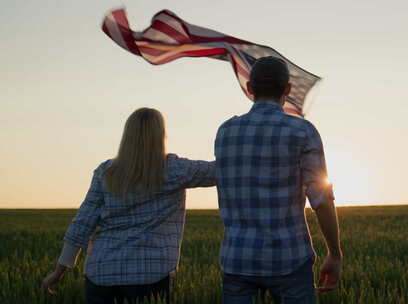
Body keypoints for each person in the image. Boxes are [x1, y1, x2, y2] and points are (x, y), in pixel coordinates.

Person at [41, 108, 216, 304]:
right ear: (161, 134)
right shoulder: (174, 169)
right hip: (151, 275)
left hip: (102, 273)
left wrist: (59, 271)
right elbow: (219, 171)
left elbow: (82, 222)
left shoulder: (106, 172)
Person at [214, 56, 342, 304]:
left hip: (237, 260)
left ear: (250, 89)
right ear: (288, 89)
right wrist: (335, 253)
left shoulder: (225, 131)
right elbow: (321, 198)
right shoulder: (303, 131)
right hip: (289, 259)